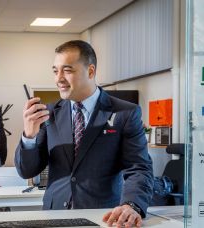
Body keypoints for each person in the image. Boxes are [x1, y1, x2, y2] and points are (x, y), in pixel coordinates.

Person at [15, 40, 153, 227]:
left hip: (104, 217)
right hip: (54, 217)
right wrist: (29, 136)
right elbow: (27, 171)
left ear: (90, 71)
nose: (59, 79)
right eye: (56, 71)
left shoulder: (124, 113)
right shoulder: (50, 114)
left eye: (68, 70)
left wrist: (131, 205)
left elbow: (139, 168)